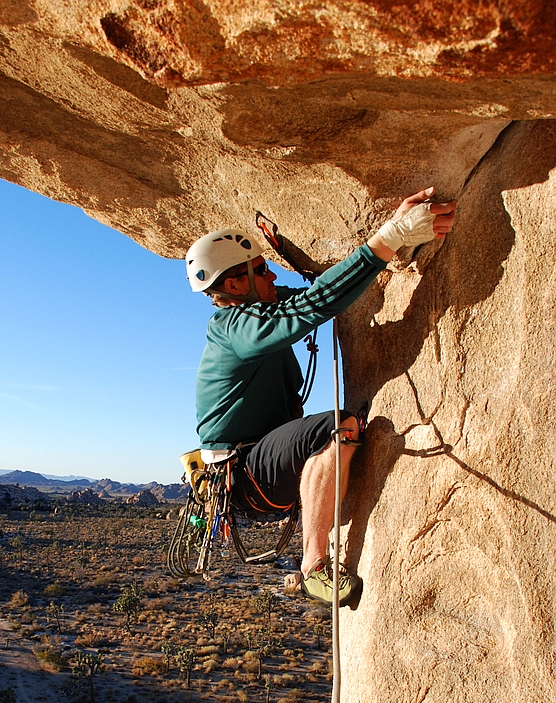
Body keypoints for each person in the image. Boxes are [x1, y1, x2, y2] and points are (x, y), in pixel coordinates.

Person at [185, 188, 456, 604]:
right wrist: (391, 236)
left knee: (336, 429)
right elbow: (314, 305)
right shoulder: (235, 329)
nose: (273, 276)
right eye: (262, 269)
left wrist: (395, 239)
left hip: (258, 467)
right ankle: (313, 566)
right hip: (245, 471)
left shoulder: (258, 313)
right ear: (237, 283)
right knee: (338, 426)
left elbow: (320, 292)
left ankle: (322, 499)